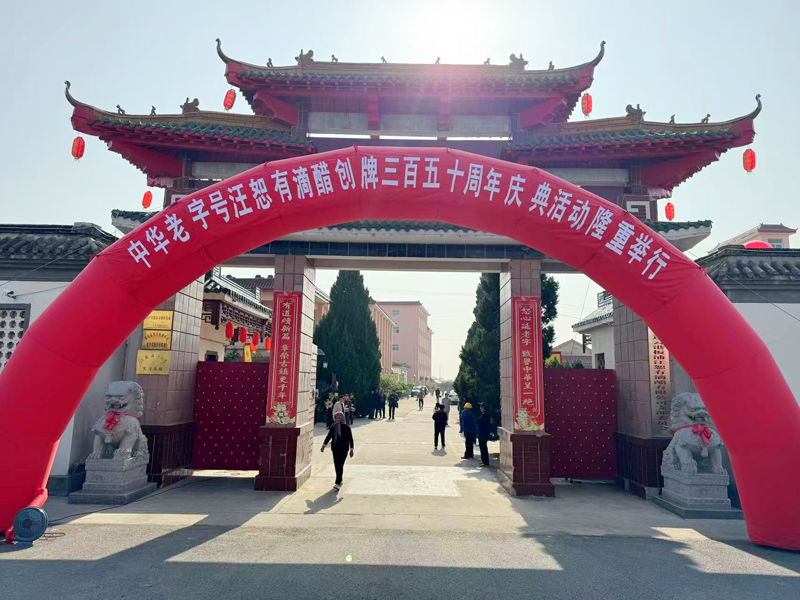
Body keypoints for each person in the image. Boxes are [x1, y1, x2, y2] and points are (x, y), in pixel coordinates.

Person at [321, 412, 354, 490]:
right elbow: (329, 436)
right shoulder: (333, 426)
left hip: (344, 449)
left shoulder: (346, 427)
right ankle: (340, 479)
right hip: (335, 449)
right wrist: (323, 445)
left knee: (340, 465)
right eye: (335, 418)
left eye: (337, 418)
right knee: (336, 465)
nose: (336, 419)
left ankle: (338, 482)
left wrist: (351, 449)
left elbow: (350, 439)